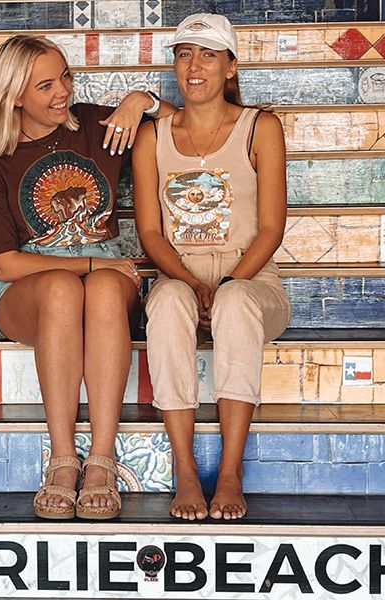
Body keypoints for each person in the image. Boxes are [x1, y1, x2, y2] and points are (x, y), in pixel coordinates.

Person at [0, 34, 175, 519]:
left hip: (106, 283)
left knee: (101, 289)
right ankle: (63, 460)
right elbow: (6, 265)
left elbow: (183, 123)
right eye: (45, 85)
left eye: (66, 76)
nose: (62, 91)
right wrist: (89, 262)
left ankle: (100, 459)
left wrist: (139, 101)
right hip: (35, 293)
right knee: (66, 288)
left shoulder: (93, 125)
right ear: (14, 94)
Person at [132, 14, 291, 521]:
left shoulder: (259, 127)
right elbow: (151, 234)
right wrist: (189, 282)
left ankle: (229, 470)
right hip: (177, 272)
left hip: (252, 276)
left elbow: (270, 228)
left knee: (238, 301)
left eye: (207, 54)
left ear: (230, 67)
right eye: (184, 54)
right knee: (171, 302)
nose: (194, 65)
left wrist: (225, 285)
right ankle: (184, 470)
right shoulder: (151, 137)